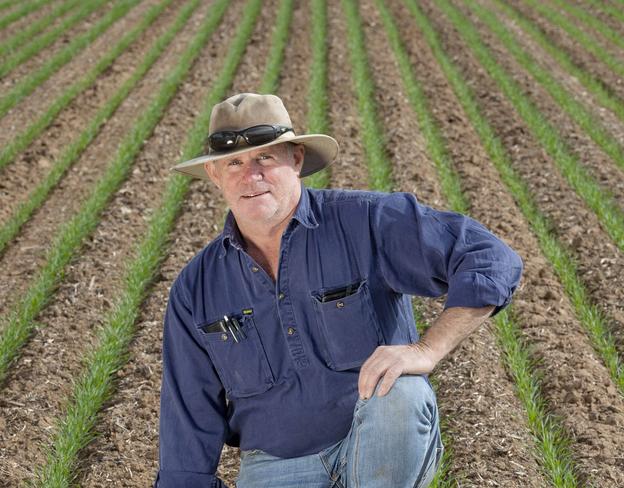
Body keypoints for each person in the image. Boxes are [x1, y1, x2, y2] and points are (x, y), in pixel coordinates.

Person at [154, 93, 523, 488]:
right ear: (214, 174)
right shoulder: (197, 288)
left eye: (265, 158)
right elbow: (188, 413)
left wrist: (426, 350)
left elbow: (490, 258)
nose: (251, 175)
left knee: (402, 395)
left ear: (296, 159)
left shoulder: (364, 221)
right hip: (277, 466)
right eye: (234, 163)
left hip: (377, 442)